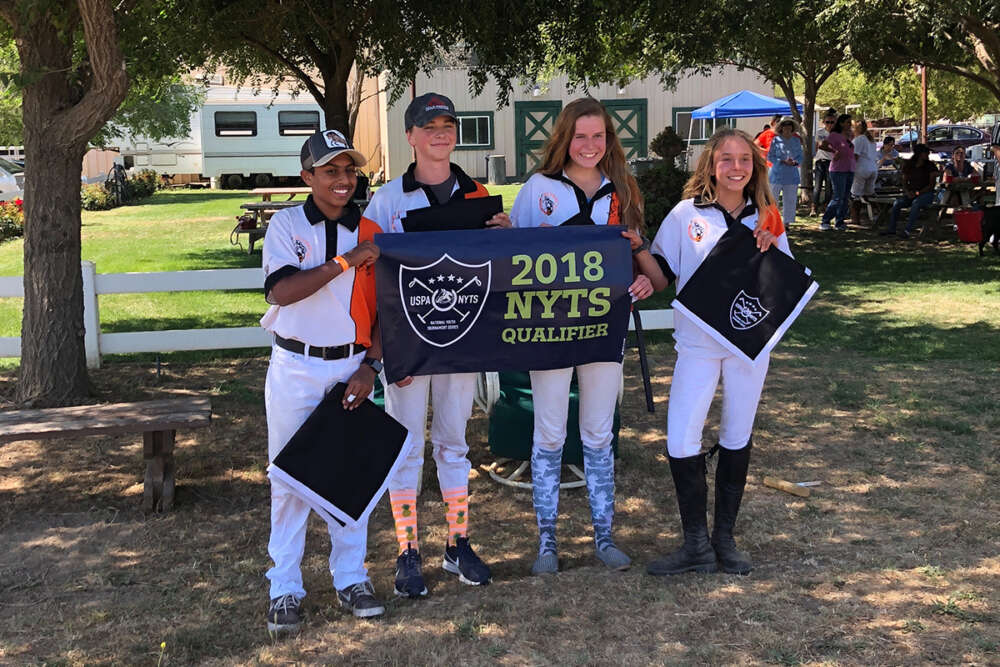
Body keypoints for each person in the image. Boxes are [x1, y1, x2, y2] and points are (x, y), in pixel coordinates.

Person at [364, 92, 510, 599]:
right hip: (408, 343)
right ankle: (407, 551)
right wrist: (383, 348)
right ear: (410, 136)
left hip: (462, 340)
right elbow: (373, 278)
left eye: (447, 124)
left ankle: (457, 543)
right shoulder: (387, 200)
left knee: (454, 442)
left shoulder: (477, 193)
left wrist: (506, 238)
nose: (440, 134)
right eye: (429, 126)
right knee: (404, 446)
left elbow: (498, 269)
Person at [509, 97, 662, 575]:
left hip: (603, 327)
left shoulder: (622, 192)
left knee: (598, 432)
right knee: (550, 431)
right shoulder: (539, 188)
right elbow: (513, 257)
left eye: (599, 136)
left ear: (609, 140)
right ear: (564, 138)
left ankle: (603, 535)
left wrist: (640, 276)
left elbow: (642, 263)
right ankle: (547, 542)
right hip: (549, 328)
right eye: (581, 136)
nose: (590, 145)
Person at [641, 128, 782, 577]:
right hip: (698, 345)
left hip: (747, 347)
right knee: (682, 438)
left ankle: (724, 538)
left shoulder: (767, 215)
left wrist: (768, 245)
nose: (736, 167)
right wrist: (638, 253)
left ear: (754, 167)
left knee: (736, 435)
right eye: (726, 159)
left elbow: (783, 280)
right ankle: (695, 545)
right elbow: (663, 270)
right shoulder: (686, 214)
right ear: (710, 165)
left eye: (744, 159)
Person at [260, 129, 386, 632]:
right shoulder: (287, 223)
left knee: (349, 473)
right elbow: (281, 292)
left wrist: (370, 366)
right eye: (330, 170)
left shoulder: (371, 226)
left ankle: (351, 576)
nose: (342, 179)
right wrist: (343, 262)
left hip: (350, 366)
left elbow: (388, 311)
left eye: (349, 170)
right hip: (296, 364)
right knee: (289, 479)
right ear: (307, 176)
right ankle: (284, 586)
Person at [882, 143, 939, 239]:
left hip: (926, 193)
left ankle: (907, 230)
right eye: (926, 152)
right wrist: (908, 192)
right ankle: (891, 229)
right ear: (920, 154)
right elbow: (904, 181)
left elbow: (931, 185)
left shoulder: (930, 165)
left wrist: (918, 193)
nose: (928, 154)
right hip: (911, 192)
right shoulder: (909, 165)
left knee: (916, 203)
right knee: (897, 203)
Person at [818, 113, 855, 231]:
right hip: (838, 169)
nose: (850, 124)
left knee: (845, 196)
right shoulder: (834, 135)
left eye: (850, 122)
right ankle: (825, 220)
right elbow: (822, 145)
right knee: (838, 196)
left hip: (850, 168)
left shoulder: (850, 135)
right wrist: (834, 151)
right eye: (848, 122)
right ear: (841, 123)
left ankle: (839, 222)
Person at [766, 116, 803, 226]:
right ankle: (771, 222)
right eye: (784, 125)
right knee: (773, 199)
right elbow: (770, 156)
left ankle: (786, 223)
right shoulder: (775, 140)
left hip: (792, 174)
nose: (787, 127)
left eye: (789, 125)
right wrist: (782, 161)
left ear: (792, 127)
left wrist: (795, 162)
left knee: (790, 199)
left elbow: (801, 156)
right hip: (777, 174)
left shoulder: (796, 140)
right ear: (781, 127)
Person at [850, 120, 878, 225]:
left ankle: (855, 219)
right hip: (872, 169)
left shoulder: (859, 139)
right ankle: (876, 214)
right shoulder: (871, 140)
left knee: (855, 195)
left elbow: (855, 156)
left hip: (861, 169)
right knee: (869, 193)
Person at [810, 111, 837, 216]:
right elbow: (820, 145)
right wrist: (832, 149)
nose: (830, 124)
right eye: (828, 122)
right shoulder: (820, 132)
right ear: (824, 122)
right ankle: (813, 207)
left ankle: (824, 207)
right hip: (820, 161)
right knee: (817, 186)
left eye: (832, 122)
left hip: (832, 162)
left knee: (829, 186)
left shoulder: (836, 134)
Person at [940, 146, 979, 211]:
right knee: (955, 199)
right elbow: (947, 179)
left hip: (964, 189)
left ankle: (969, 214)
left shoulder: (967, 165)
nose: (960, 155)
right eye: (957, 153)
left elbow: (977, 175)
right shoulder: (949, 166)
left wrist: (961, 179)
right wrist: (966, 179)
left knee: (979, 194)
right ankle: (941, 213)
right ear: (953, 155)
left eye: (962, 153)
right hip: (950, 191)